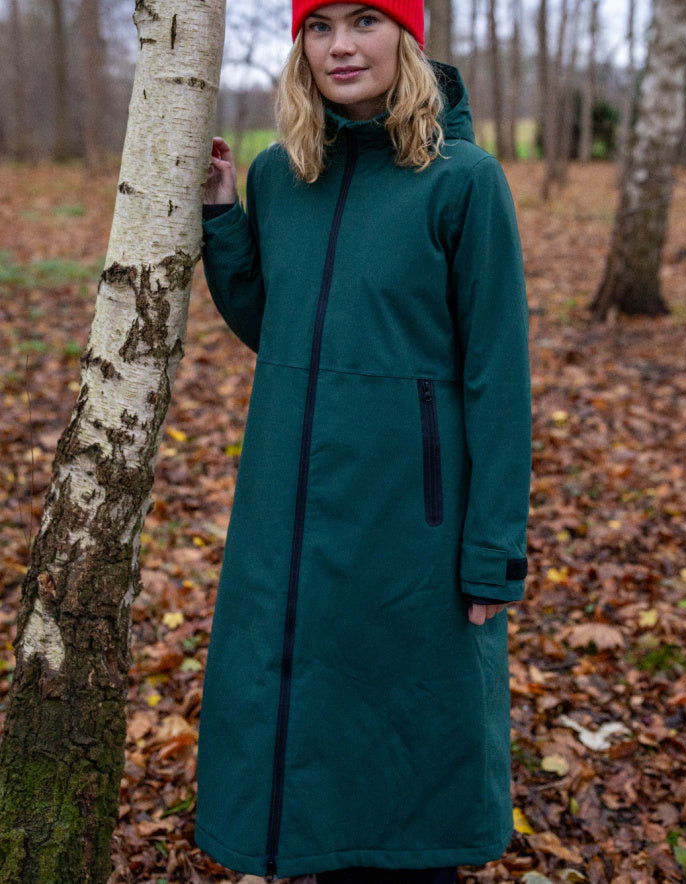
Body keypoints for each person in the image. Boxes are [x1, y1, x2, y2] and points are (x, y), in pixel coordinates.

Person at [195, 0, 531, 881]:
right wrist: (223, 218)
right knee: (301, 732)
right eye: (319, 27)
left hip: (411, 522)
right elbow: (277, 325)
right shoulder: (279, 175)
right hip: (289, 510)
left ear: (408, 36)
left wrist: (494, 550)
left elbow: (499, 377)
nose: (341, 46)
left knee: (409, 755)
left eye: (366, 21)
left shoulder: (464, 180)